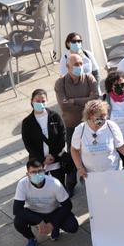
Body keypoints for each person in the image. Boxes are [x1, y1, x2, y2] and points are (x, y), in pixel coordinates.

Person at [54, 54, 99, 194]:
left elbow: (96, 99)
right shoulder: (60, 83)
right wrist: (86, 103)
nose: (79, 67)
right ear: (67, 67)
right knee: (73, 154)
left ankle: (90, 181)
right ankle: (71, 182)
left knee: (93, 152)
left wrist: (74, 101)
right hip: (72, 125)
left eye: (81, 63)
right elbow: (64, 105)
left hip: (90, 125)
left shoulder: (89, 78)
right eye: (76, 64)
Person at [13, 160, 77, 246]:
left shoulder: (54, 183)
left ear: (44, 170)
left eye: (40, 171)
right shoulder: (22, 184)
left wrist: (53, 223)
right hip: (34, 213)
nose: (37, 174)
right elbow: (17, 209)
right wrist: (39, 221)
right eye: (33, 172)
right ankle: (31, 239)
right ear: (27, 174)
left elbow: (68, 205)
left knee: (72, 226)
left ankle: (56, 227)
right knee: (18, 222)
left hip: (54, 211)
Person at [71, 99, 124, 179]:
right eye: (100, 116)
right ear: (90, 116)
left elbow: (121, 146)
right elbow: (74, 149)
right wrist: (80, 168)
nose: (104, 119)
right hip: (91, 177)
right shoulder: (80, 129)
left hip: (114, 173)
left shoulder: (111, 126)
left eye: (105, 115)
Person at [21, 89, 67, 186]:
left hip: (55, 160)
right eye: (38, 101)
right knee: (40, 187)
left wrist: (53, 155)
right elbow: (28, 144)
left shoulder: (55, 116)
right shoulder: (27, 122)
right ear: (32, 101)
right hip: (38, 164)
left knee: (59, 186)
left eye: (43, 101)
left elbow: (62, 137)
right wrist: (42, 159)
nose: (41, 103)